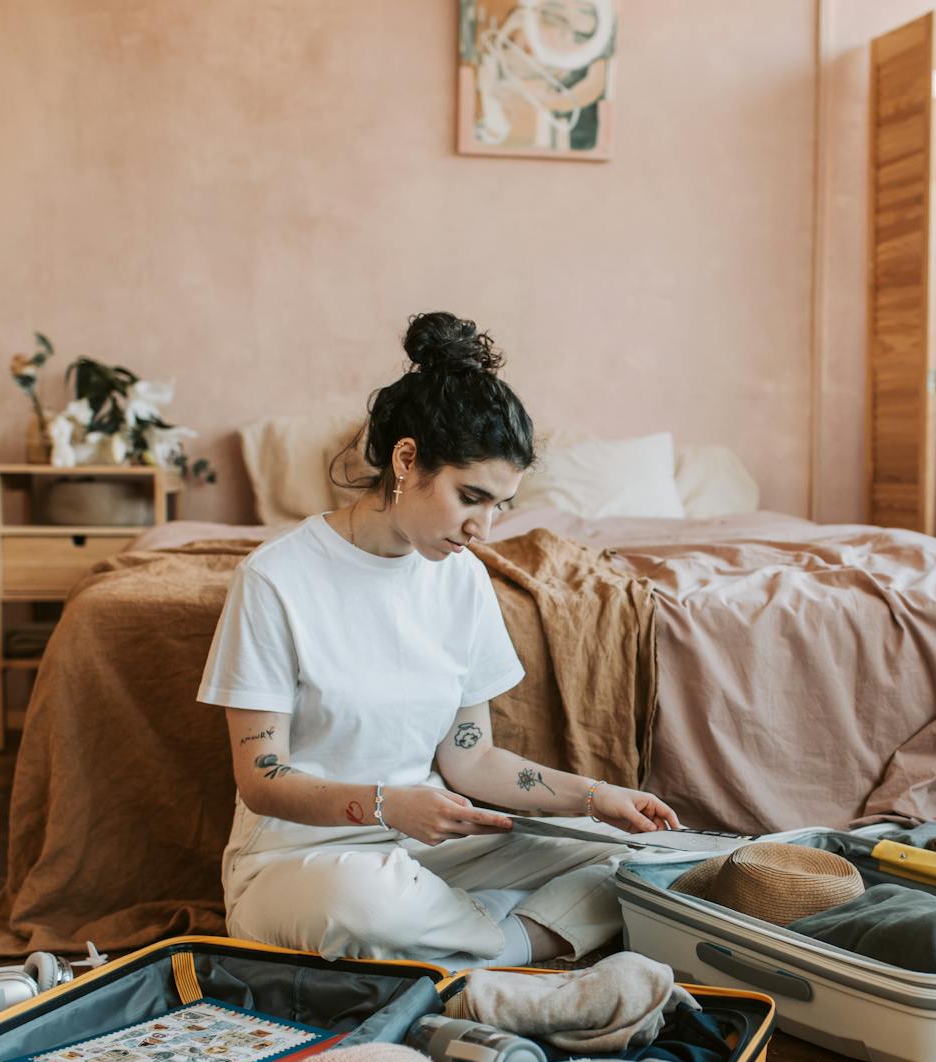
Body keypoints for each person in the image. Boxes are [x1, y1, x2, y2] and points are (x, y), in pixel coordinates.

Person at [196, 311, 679, 967]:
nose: (484, 527)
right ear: (406, 460)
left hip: (426, 847)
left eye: (500, 506)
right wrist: (386, 805)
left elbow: (471, 761)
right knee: (366, 904)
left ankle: (455, 943)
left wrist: (597, 798)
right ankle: (513, 942)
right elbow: (261, 779)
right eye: (470, 496)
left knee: (630, 862)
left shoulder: (463, 582)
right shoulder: (276, 579)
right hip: (303, 857)